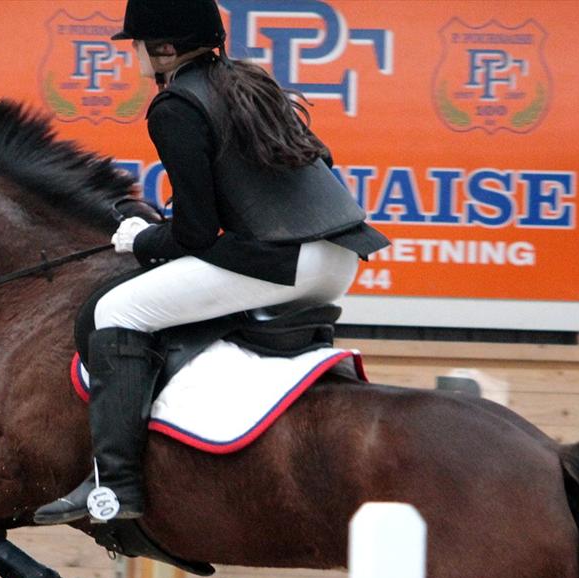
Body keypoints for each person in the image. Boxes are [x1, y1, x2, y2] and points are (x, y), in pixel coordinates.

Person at [34, 0, 389, 526]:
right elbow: (319, 164)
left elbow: (196, 234)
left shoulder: (174, 106)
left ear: (165, 48)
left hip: (283, 260)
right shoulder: (249, 81)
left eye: (137, 44)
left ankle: (116, 485)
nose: (132, 53)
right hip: (338, 257)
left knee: (116, 312)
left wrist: (143, 238)